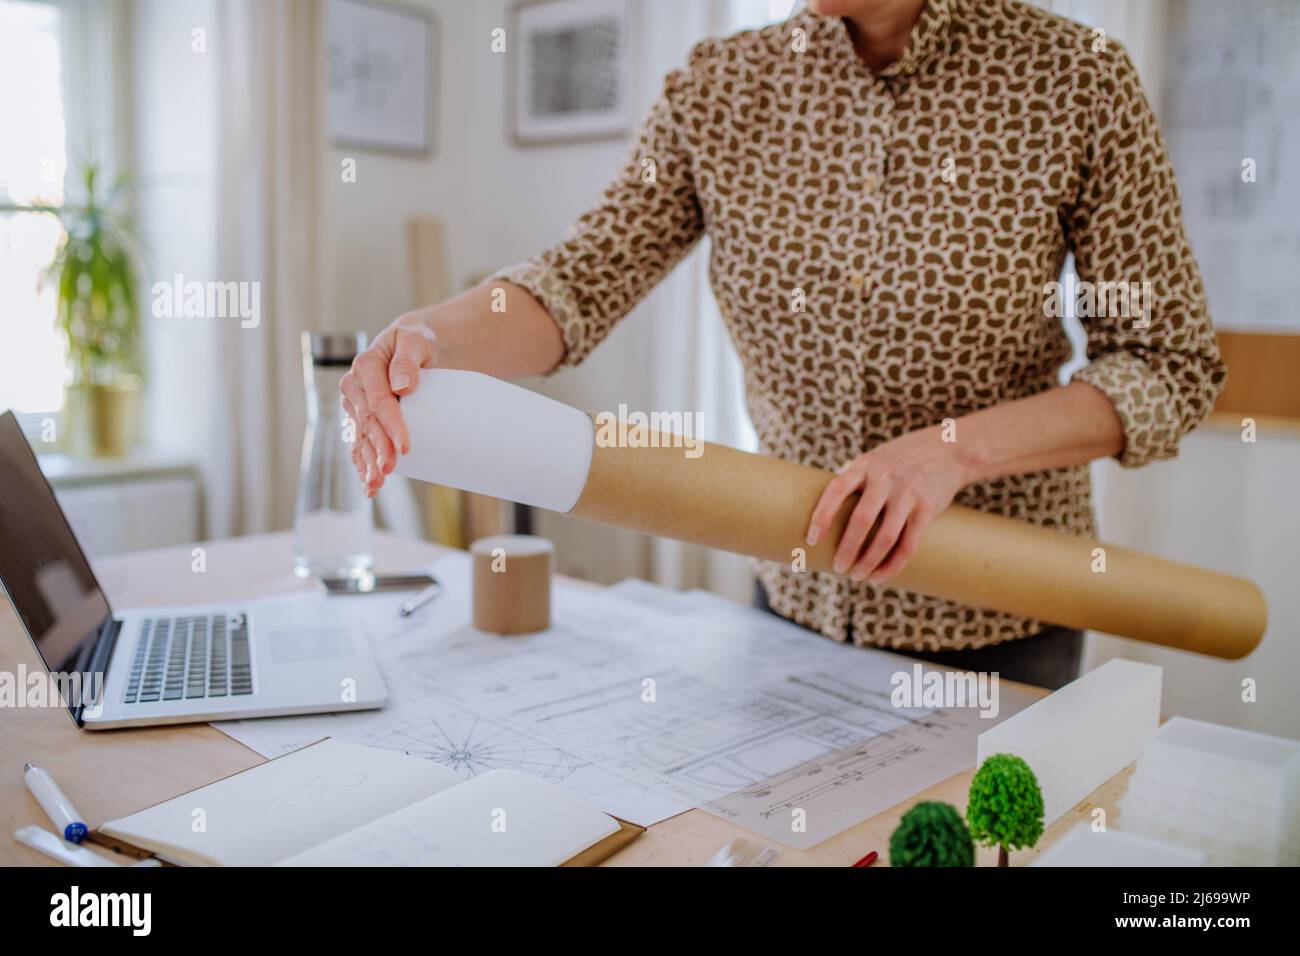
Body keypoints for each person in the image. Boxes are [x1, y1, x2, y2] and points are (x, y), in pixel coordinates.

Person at [340, 0, 1224, 689]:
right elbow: (576, 283)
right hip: (791, 605)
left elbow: (1167, 364)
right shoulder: (720, 87)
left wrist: (953, 451)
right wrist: (431, 334)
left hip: (997, 622)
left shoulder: (1076, 80)